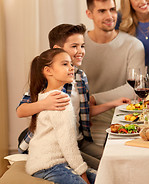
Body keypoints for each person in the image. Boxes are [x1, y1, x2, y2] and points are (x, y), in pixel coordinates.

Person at [17, 24, 129, 169]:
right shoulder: (48, 77)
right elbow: (21, 110)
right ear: (57, 49)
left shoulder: (80, 77)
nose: (80, 51)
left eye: (82, 46)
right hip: (57, 145)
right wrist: (45, 103)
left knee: (113, 159)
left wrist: (113, 103)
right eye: (74, 46)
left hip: (79, 140)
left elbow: (84, 111)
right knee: (105, 168)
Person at [80, 0, 145, 145]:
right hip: (85, 119)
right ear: (89, 14)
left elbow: (134, 87)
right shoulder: (78, 44)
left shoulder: (133, 45)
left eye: (112, 9)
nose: (109, 16)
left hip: (122, 118)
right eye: (102, 11)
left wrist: (95, 98)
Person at [25, 48, 96, 184]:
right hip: (49, 166)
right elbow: (68, 144)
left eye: (71, 64)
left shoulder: (46, 96)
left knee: (104, 178)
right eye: (65, 64)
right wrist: (82, 174)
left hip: (56, 162)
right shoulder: (59, 100)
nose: (71, 68)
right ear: (48, 71)